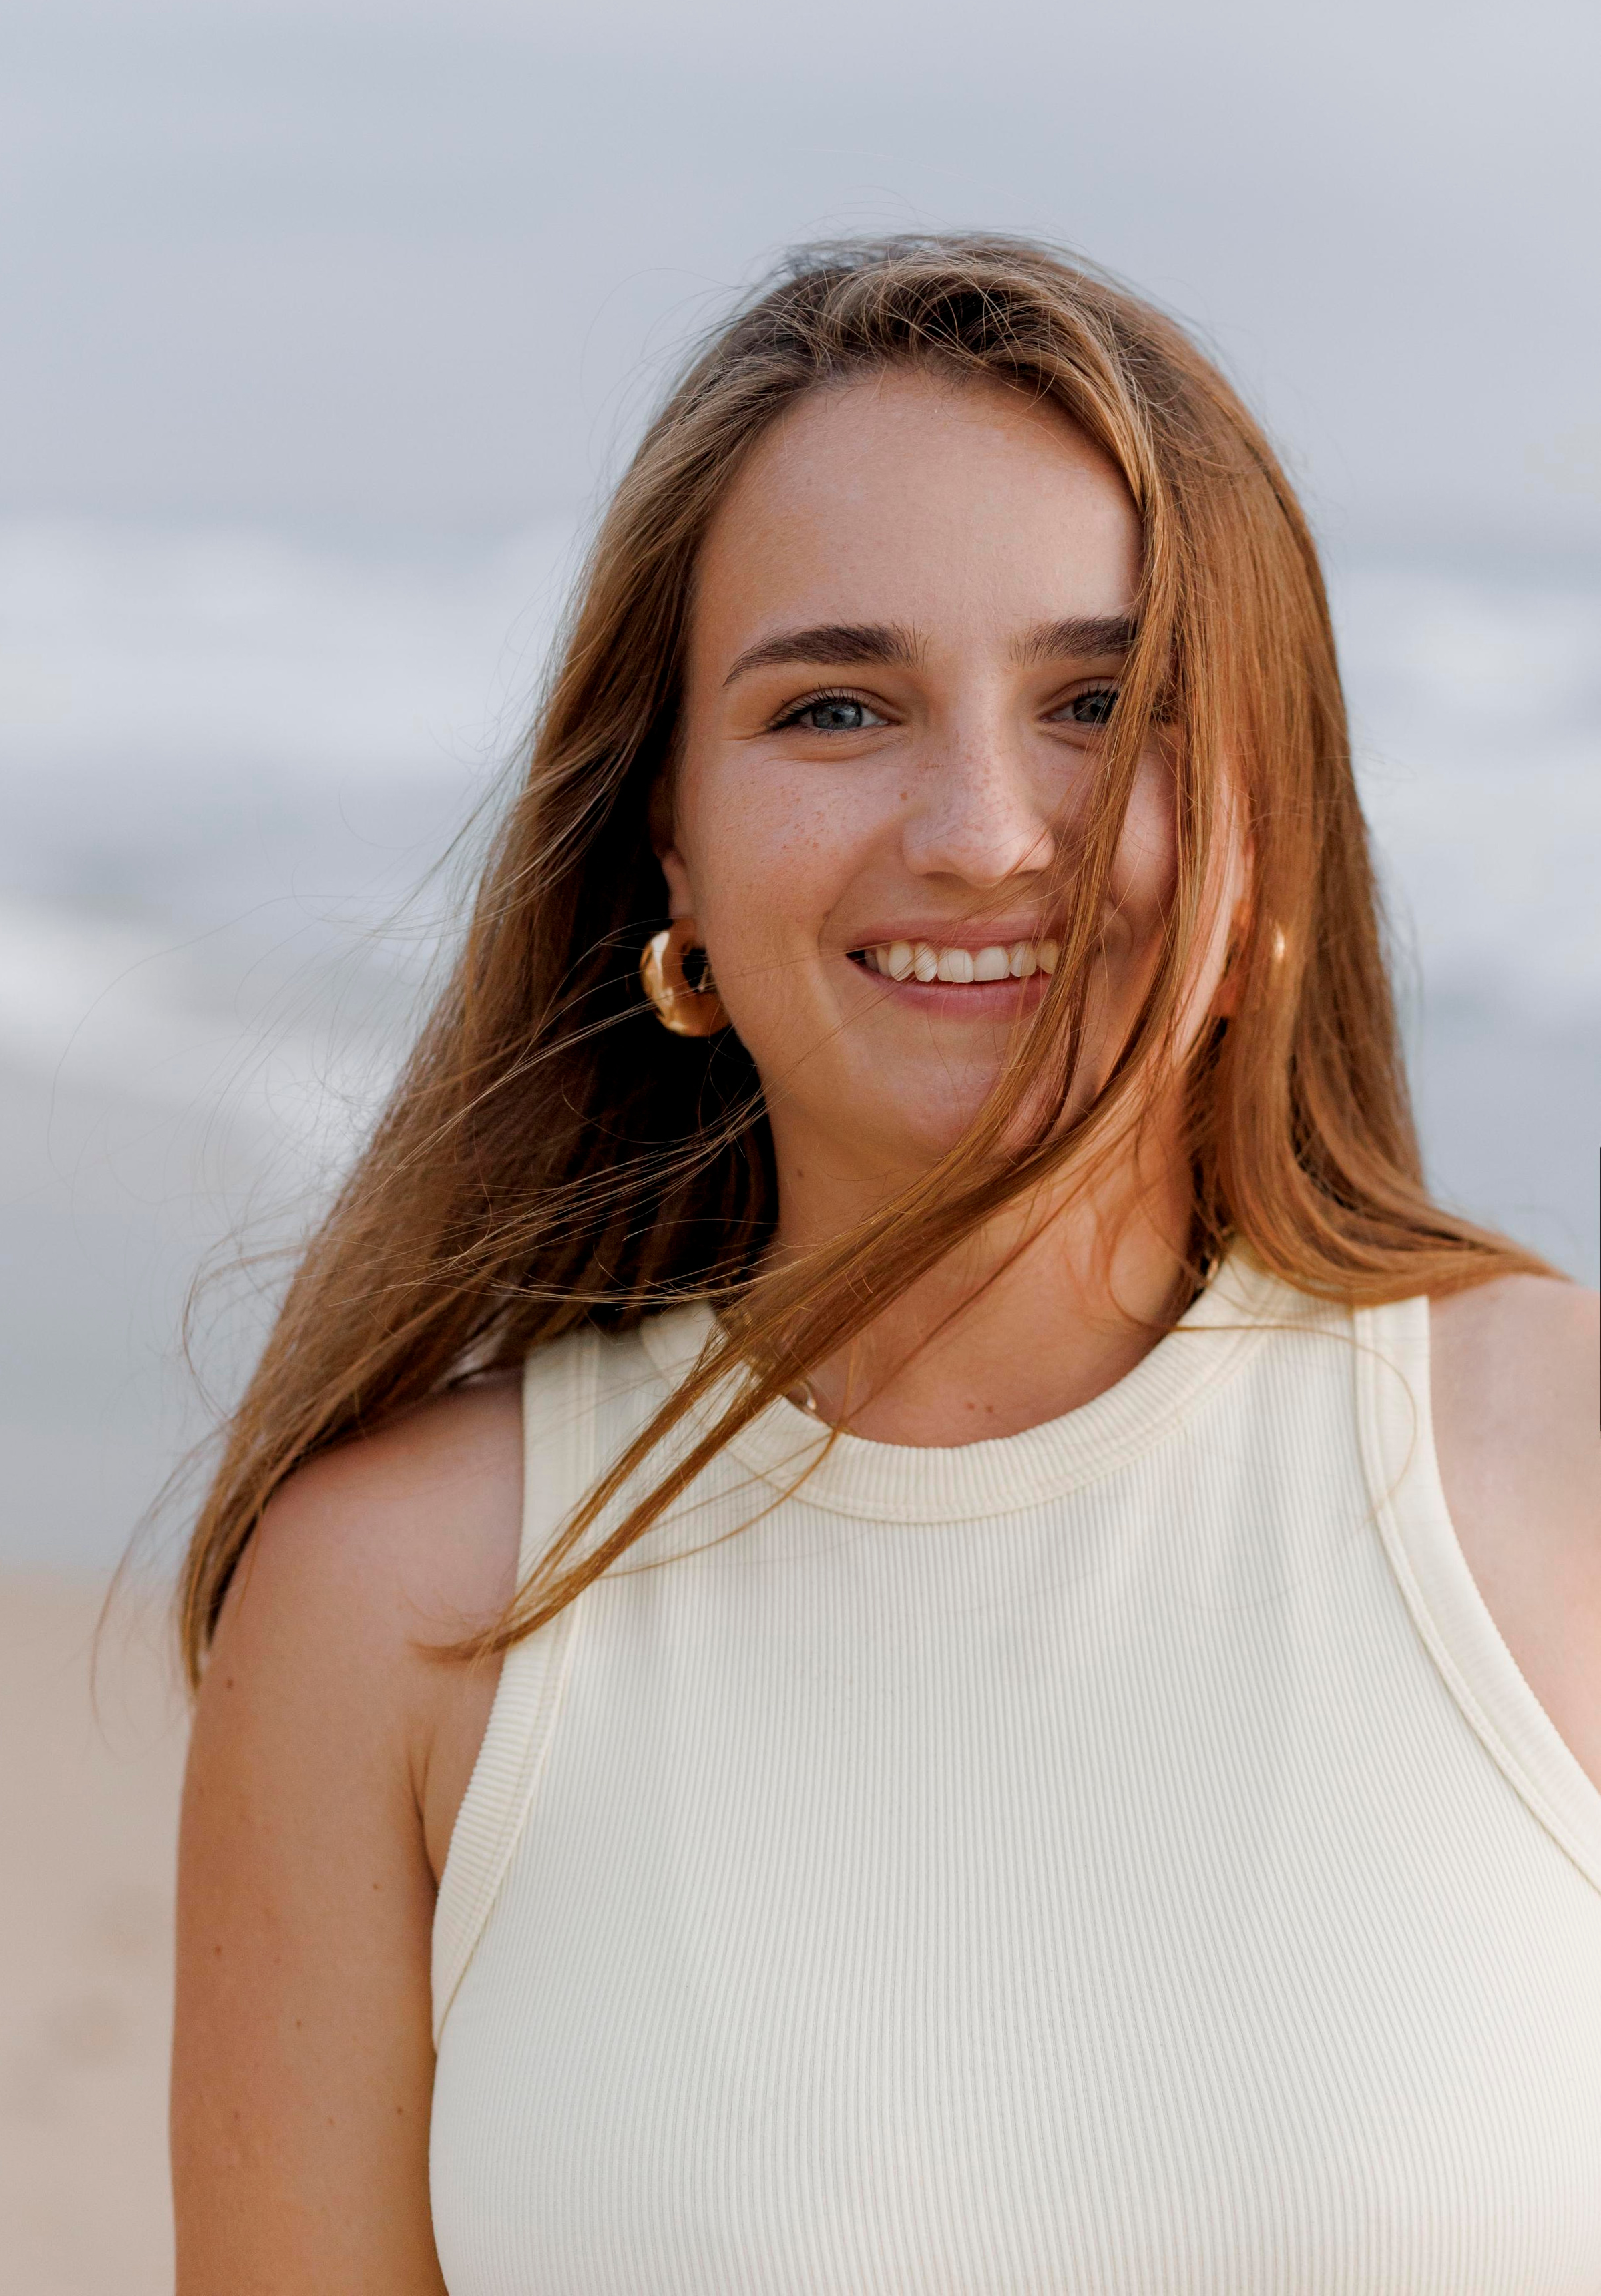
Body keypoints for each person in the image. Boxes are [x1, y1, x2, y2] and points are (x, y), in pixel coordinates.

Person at [170, 238, 1601, 2293]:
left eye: (1104, 705)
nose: (984, 832)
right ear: (666, 841)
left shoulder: (1561, 1468)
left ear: (1270, 809)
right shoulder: (395, 1605)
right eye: (836, 707)